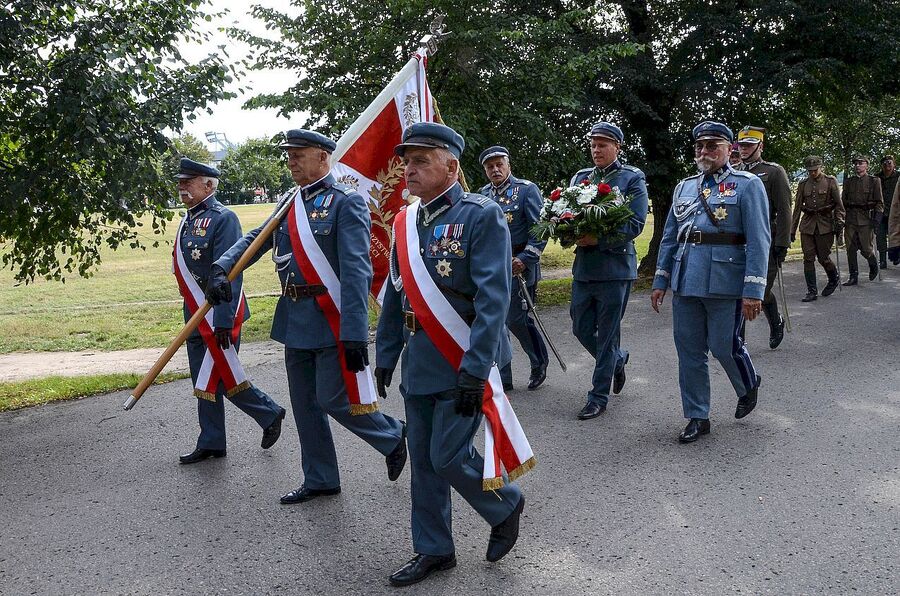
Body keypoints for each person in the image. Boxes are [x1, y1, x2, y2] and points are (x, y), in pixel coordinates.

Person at [206, 130, 407, 503]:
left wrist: (354, 331)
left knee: (333, 399)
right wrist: (222, 266)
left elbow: (356, 271)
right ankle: (320, 477)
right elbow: (257, 236)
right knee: (304, 404)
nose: (292, 161)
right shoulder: (289, 202)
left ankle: (393, 434)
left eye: (300, 154)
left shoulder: (346, 202)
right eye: (289, 155)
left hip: (330, 317)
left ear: (324, 157)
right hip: (295, 317)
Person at [375, 123, 527, 587]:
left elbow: (493, 300)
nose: (409, 170)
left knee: (446, 456)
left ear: (452, 166)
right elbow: (396, 293)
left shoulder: (481, 215)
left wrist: (475, 369)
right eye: (407, 161)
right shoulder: (404, 222)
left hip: (464, 356)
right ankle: (434, 548)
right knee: (423, 461)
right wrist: (385, 353)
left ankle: (505, 503)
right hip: (419, 359)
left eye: (421, 161)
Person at [651, 121, 770, 443]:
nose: (704, 152)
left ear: (729, 149)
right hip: (686, 279)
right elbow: (669, 238)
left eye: (712, 146)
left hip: (724, 280)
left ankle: (747, 384)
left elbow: (759, 240)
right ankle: (697, 416)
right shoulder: (684, 187)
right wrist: (661, 279)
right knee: (689, 351)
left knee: (723, 346)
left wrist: (753, 290)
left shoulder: (747, 185)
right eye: (700, 146)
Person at [172, 158, 285, 465]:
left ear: (209, 184)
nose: (182, 185)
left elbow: (231, 271)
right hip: (194, 312)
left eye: (190, 180)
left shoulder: (224, 218)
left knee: (220, 377)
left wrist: (222, 320)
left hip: (221, 313)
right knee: (202, 379)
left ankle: (269, 412)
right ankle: (211, 440)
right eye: (181, 180)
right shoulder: (187, 219)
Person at [568, 122, 648, 420]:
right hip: (585, 268)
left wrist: (598, 239)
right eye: (592, 145)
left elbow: (635, 223)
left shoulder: (631, 178)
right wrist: (568, 232)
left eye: (602, 145)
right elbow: (568, 214)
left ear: (617, 147)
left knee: (608, 334)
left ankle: (597, 396)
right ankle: (617, 360)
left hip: (615, 268)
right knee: (579, 326)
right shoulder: (581, 178)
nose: (596, 150)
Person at [478, 145, 549, 391]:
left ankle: (539, 361)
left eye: (499, 164)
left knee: (517, 319)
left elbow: (540, 229)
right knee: (496, 322)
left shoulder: (526, 191)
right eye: (490, 166)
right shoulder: (483, 195)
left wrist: (525, 259)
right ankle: (504, 375)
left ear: (508, 165)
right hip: (492, 268)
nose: (495, 169)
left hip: (519, 266)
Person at [736, 126, 792, 348]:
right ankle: (738, 341)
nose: (744, 149)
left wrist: (782, 243)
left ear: (760, 146)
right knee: (739, 290)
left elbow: (785, 209)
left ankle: (775, 321)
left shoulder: (774, 172)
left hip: (766, 242)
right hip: (739, 242)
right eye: (741, 145)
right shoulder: (734, 171)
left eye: (749, 145)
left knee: (761, 289)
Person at [790, 156, 845, 301]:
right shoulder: (803, 184)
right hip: (808, 225)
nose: (813, 173)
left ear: (821, 167)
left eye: (815, 170)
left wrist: (839, 221)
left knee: (823, 258)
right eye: (810, 171)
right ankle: (811, 291)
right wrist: (791, 230)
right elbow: (796, 209)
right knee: (808, 259)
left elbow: (839, 206)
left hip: (825, 225)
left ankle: (833, 278)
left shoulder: (830, 181)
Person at [840, 155, 884, 285]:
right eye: (855, 164)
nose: (857, 166)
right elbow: (843, 202)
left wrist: (877, 219)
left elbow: (879, 203)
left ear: (867, 165)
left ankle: (873, 264)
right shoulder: (848, 182)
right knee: (850, 249)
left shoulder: (874, 181)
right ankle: (853, 276)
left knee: (866, 249)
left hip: (866, 220)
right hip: (850, 219)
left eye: (860, 163)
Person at [875, 155, 898, 269]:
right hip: (881, 212)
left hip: (896, 212)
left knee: (896, 236)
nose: (887, 165)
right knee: (880, 237)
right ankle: (882, 260)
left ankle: (896, 256)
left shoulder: (899, 177)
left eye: (889, 163)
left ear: (894, 164)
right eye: (884, 163)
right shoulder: (877, 178)